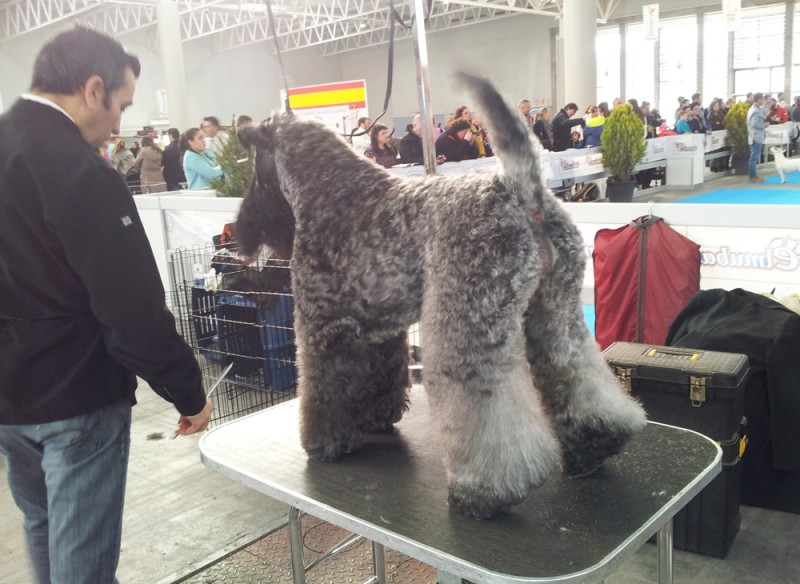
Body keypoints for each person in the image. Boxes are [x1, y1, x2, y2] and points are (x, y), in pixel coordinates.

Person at [0, 26, 212, 584]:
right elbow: (130, 306)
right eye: (120, 105)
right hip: (78, 396)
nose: (119, 124)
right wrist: (187, 389)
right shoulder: (80, 170)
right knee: (84, 567)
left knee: (42, 527)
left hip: (11, 398)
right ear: (93, 89)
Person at [747, 92, 767, 183]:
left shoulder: (755, 108)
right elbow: (755, 124)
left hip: (755, 136)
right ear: (758, 99)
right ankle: (753, 176)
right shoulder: (755, 110)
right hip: (756, 136)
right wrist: (764, 125)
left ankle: (753, 175)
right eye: (762, 99)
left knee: (754, 157)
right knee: (754, 157)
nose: (763, 100)